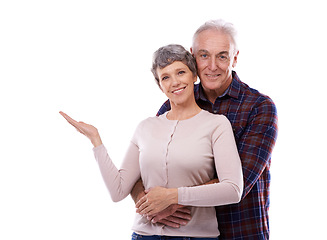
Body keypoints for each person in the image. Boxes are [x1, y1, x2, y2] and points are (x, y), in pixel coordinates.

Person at [60, 44, 243, 240]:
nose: (174, 82)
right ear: (160, 86)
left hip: (194, 236)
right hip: (144, 235)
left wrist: (172, 197)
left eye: (180, 72)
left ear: (194, 76)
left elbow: (232, 190)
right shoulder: (145, 127)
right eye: (165, 77)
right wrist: (96, 140)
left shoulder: (216, 124)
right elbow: (118, 190)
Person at [131, 20, 278, 240]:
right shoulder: (172, 104)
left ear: (235, 58)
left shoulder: (259, 107)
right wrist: (149, 205)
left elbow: (240, 183)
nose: (212, 66)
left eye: (222, 56)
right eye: (204, 55)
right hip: (182, 232)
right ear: (192, 57)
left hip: (240, 231)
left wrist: (170, 199)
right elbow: (144, 169)